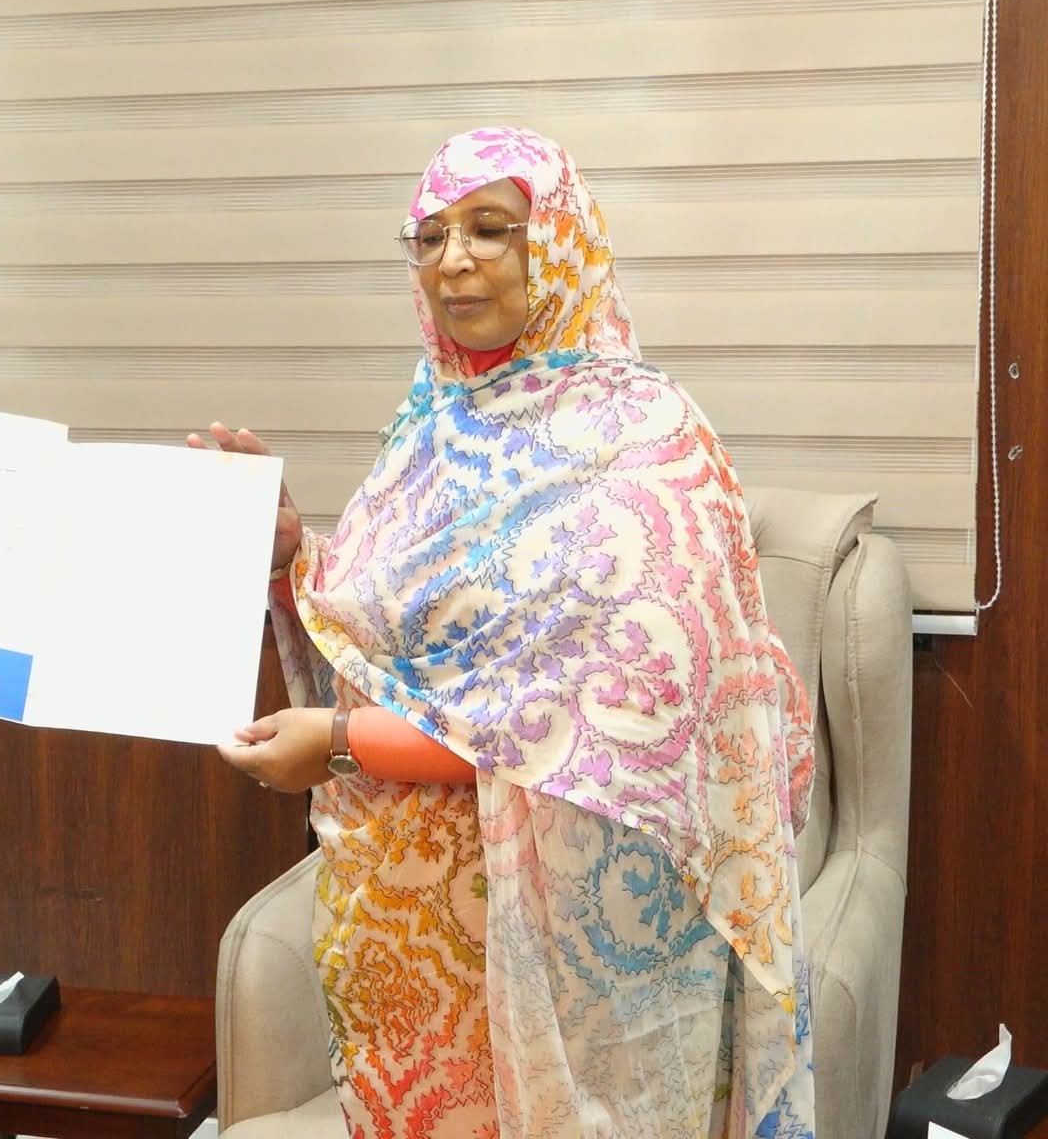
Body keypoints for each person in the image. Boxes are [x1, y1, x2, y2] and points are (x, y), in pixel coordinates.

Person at [190, 127, 817, 1137]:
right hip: (407, 960)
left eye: (490, 228)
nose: (454, 260)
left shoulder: (645, 441)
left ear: (560, 243)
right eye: (430, 235)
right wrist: (292, 558)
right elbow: (413, 645)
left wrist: (341, 744)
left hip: (576, 966)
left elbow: (593, 728)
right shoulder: (432, 423)